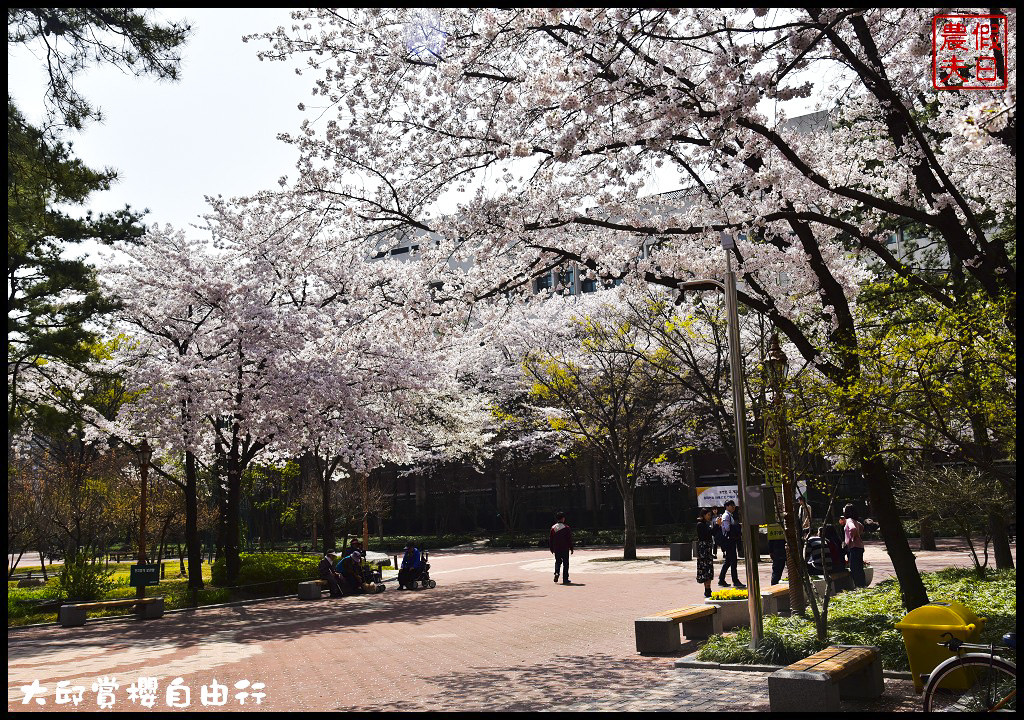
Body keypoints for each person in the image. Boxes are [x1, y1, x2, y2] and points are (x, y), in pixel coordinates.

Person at [717, 500, 745, 588]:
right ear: (727, 506)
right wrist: (737, 527)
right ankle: (735, 581)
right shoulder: (726, 516)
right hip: (729, 541)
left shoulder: (729, 515)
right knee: (733, 562)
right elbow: (727, 529)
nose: (734, 507)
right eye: (732, 505)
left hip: (730, 541)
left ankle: (721, 579)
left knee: (728, 561)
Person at [843, 504, 867, 587]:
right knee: (859, 567)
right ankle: (862, 585)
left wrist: (851, 539)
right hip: (859, 546)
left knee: (854, 568)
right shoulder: (855, 520)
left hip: (854, 547)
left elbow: (853, 529)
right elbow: (862, 527)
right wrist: (858, 535)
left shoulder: (849, 520)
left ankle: (858, 586)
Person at [549, 511, 574, 584]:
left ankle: (557, 572)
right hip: (565, 548)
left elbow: (551, 539)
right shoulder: (566, 527)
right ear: (563, 518)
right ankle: (565, 579)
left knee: (558, 561)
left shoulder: (553, 528)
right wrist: (571, 548)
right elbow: (569, 539)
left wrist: (551, 548)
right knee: (566, 563)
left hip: (557, 548)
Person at [695, 508, 715, 597]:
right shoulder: (700, 525)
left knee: (709, 569)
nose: (709, 517)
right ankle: (707, 589)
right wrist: (716, 526)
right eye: (708, 515)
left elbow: (712, 533)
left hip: (707, 550)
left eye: (710, 515)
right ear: (703, 515)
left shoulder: (706, 524)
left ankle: (708, 589)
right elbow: (707, 534)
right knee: (705, 569)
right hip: (703, 550)